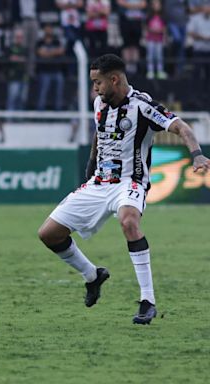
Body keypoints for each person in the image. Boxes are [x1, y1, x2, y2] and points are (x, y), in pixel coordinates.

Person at [38, 54, 210, 325]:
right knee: (48, 234)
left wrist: (197, 154)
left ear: (114, 79)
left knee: (129, 221)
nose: (95, 88)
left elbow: (180, 127)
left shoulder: (142, 106)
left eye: (98, 82)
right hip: (99, 183)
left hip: (130, 182)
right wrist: (91, 164)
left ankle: (147, 301)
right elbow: (99, 132)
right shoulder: (100, 103)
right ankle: (93, 276)